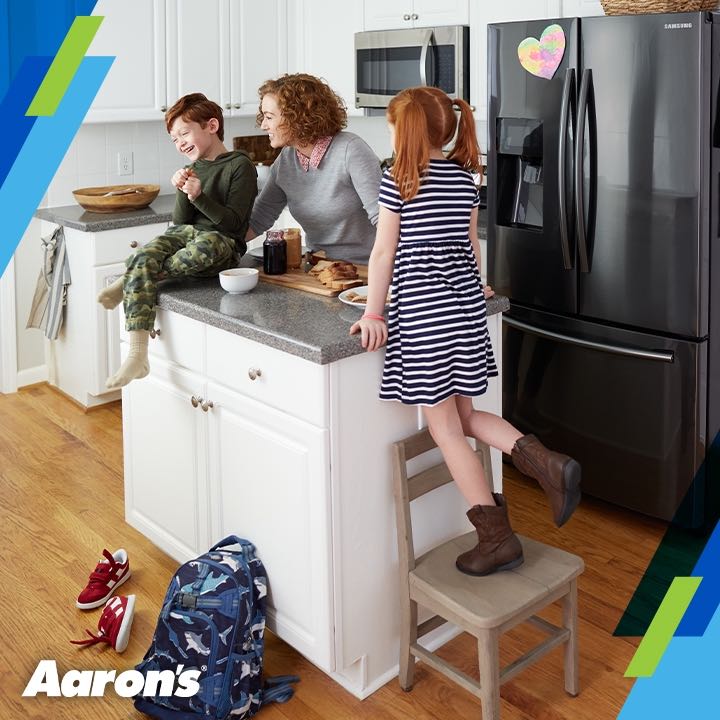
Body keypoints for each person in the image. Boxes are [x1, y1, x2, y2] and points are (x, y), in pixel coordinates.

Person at [350, 87, 581, 576]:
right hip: (465, 310)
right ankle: (547, 463)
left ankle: (497, 540)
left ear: (405, 131)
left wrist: (373, 313)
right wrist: (478, 284)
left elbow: (383, 253)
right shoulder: (463, 177)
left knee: (446, 429)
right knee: (467, 415)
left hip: (425, 315)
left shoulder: (399, 180)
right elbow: (471, 243)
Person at [98, 93, 258, 389]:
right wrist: (184, 191)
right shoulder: (194, 168)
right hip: (188, 234)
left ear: (212, 126)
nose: (180, 143)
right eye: (174, 139)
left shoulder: (240, 165)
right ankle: (137, 355)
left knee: (199, 247)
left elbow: (234, 225)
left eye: (184, 133)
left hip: (223, 242)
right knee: (150, 249)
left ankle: (131, 277)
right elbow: (181, 224)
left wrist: (199, 196)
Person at [246, 73, 382, 264]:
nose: (263, 125)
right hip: (318, 267)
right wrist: (218, 244)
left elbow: (384, 220)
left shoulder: (350, 150)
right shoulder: (286, 159)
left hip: (366, 268)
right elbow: (259, 218)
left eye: (269, 117)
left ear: (297, 117)